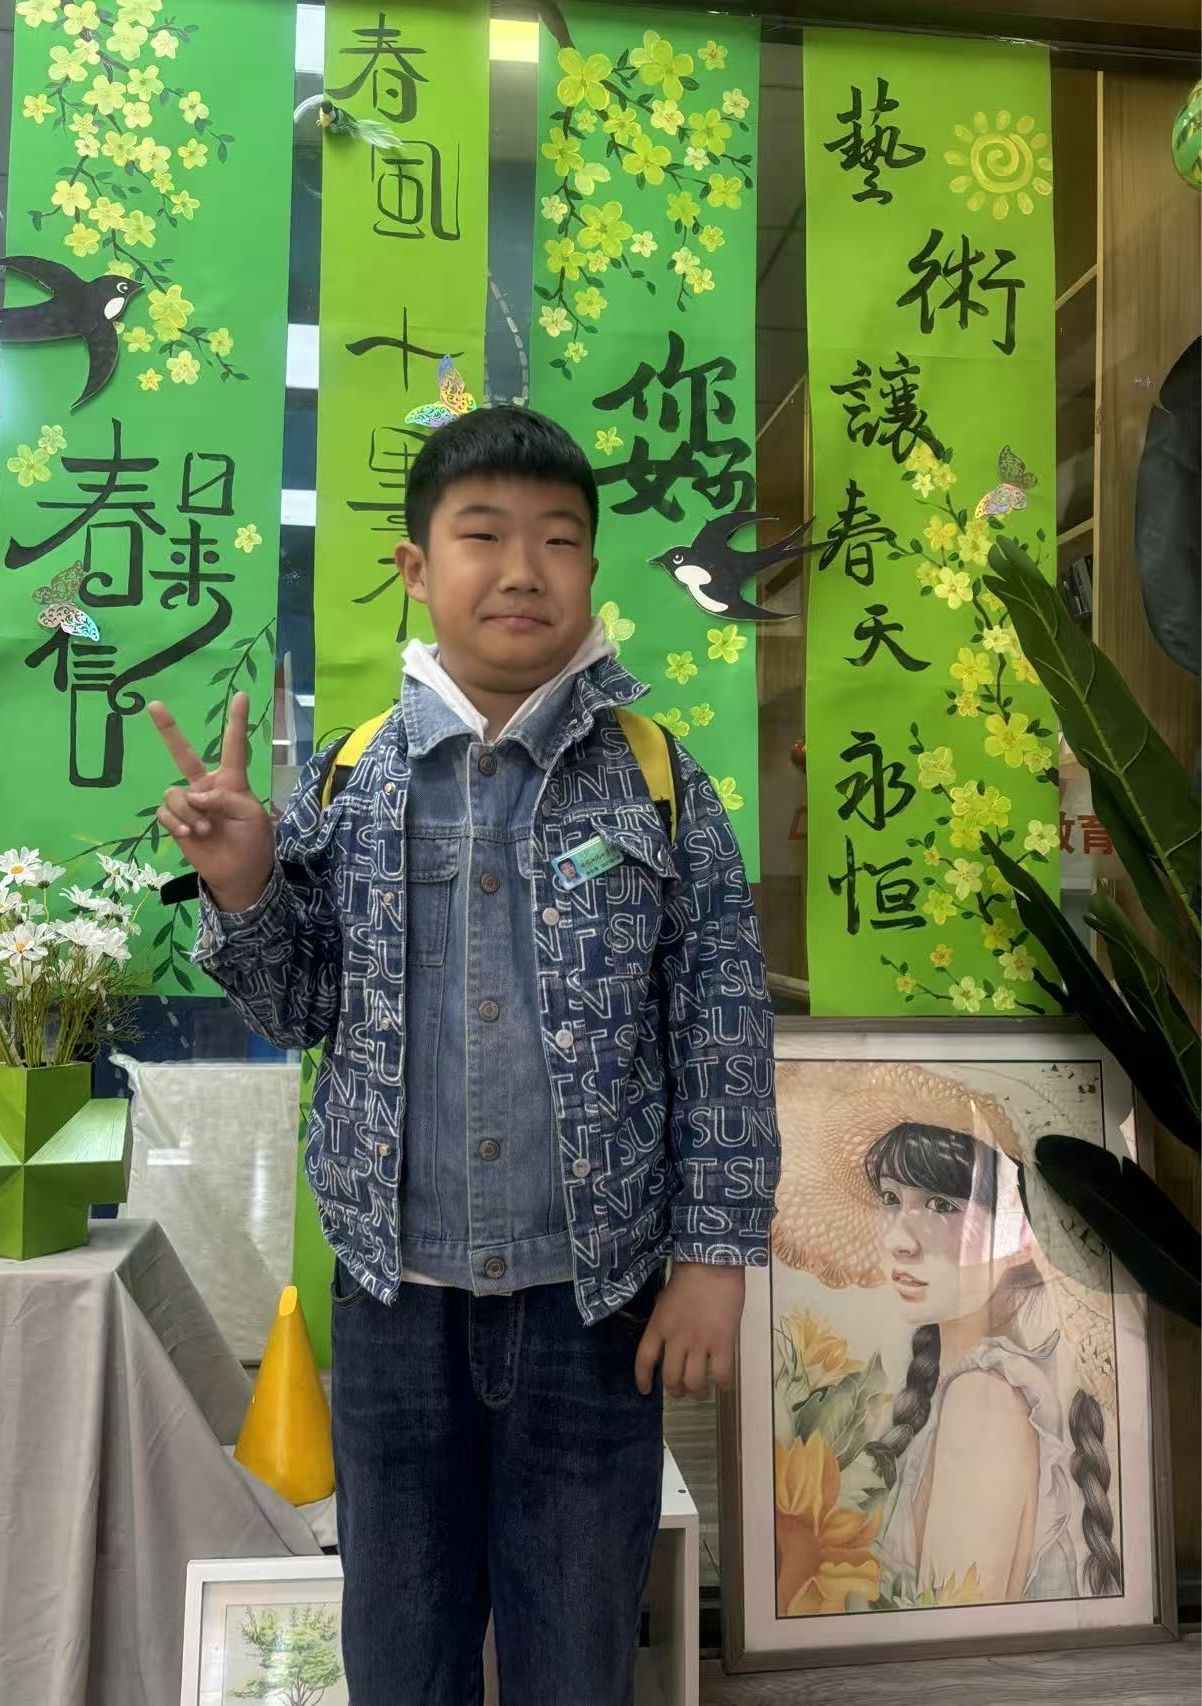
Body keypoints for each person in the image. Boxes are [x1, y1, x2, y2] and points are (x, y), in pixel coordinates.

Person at [148, 406, 778, 1706]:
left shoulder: (658, 781)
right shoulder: (354, 777)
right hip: (394, 1302)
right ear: (415, 567)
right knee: (401, 1648)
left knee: (576, 1651)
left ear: (591, 569)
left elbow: (722, 1028)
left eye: (558, 538)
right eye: (481, 535)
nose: (521, 569)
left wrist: (713, 1257)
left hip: (596, 1302)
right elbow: (301, 1005)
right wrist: (246, 883)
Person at [863, 1120, 1122, 1605]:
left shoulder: (982, 1400)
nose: (899, 1238)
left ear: (1020, 1233)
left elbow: (954, 1624)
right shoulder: (958, 1390)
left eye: (941, 1205)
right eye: (890, 1197)